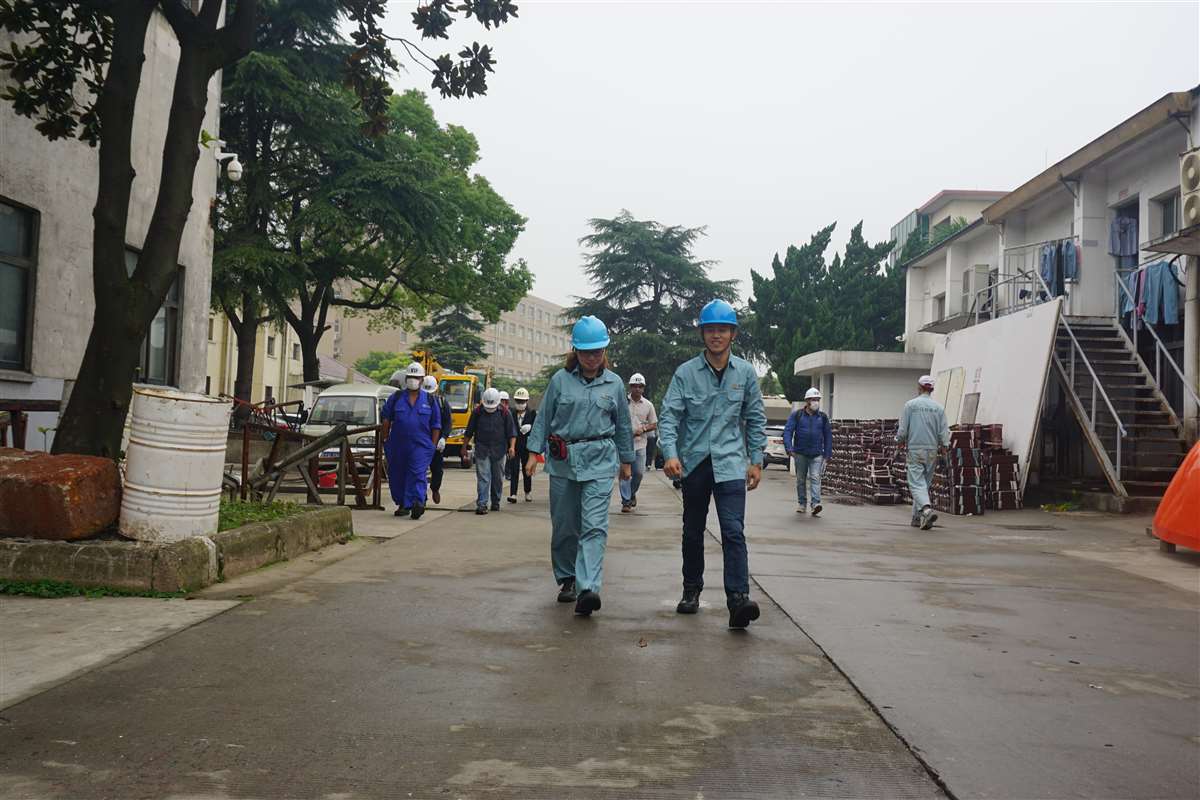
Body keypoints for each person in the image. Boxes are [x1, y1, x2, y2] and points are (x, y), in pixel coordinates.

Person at [659, 299, 767, 630]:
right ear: (702, 334)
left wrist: (756, 460)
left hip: (731, 464)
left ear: (733, 334)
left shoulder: (745, 373)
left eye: (722, 330)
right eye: (710, 330)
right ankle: (691, 589)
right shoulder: (686, 373)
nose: (716, 335)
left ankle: (738, 600)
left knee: (733, 531)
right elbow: (669, 416)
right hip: (694, 464)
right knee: (693, 530)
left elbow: (755, 417)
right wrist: (670, 453)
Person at [526, 316, 634, 617]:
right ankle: (568, 579)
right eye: (586, 351)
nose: (592, 357)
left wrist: (627, 461)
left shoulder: (614, 384)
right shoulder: (560, 381)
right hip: (564, 461)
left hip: (600, 459)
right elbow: (544, 417)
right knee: (565, 525)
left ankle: (588, 588)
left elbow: (623, 425)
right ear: (576, 350)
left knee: (595, 526)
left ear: (605, 351)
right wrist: (533, 453)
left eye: (597, 351)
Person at [381, 362, 441, 520]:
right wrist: (385, 439)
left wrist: (432, 446)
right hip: (397, 445)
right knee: (397, 474)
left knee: (417, 473)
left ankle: (418, 503)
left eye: (416, 377)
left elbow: (436, 425)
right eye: (410, 377)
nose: (413, 380)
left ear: (422, 380)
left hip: (421, 446)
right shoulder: (396, 398)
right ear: (406, 378)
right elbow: (386, 419)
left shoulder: (430, 400)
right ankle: (403, 503)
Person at [896, 374, 950, 531]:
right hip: (932, 450)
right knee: (923, 485)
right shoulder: (939, 408)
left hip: (915, 449)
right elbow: (944, 433)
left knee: (916, 483)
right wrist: (944, 450)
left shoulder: (910, 405)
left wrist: (899, 442)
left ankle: (926, 510)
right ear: (932, 389)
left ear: (919, 387)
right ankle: (917, 518)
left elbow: (903, 430)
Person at [464, 387, 516, 515]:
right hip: (482, 449)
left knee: (498, 478)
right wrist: (464, 447)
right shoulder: (477, 412)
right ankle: (482, 504)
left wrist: (512, 447)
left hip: (499, 450)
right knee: (483, 477)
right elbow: (469, 431)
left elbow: (511, 433)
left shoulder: (505, 413)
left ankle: (495, 501)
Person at [784, 387, 832, 517]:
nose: (816, 402)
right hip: (800, 453)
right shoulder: (797, 415)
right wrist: (789, 448)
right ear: (807, 401)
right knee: (801, 480)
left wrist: (827, 454)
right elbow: (788, 431)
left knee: (815, 478)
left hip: (817, 453)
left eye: (818, 399)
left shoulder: (823, 417)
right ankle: (802, 504)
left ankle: (815, 504)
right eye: (813, 399)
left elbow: (828, 435)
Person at [619, 373, 657, 512]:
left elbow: (654, 424)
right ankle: (626, 501)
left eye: (640, 386)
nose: (637, 389)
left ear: (643, 388)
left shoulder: (648, 405)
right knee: (625, 474)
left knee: (639, 473)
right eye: (634, 386)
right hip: (624, 444)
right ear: (630, 387)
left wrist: (643, 429)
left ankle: (631, 493)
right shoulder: (622, 402)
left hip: (640, 444)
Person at [423, 375, 451, 505]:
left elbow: (448, 423)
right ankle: (421, 496)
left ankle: (435, 489)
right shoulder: (416, 402)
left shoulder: (442, 403)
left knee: (437, 470)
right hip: (421, 441)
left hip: (437, 443)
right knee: (419, 470)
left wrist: (444, 438)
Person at [508, 387, 536, 503]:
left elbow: (537, 429)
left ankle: (527, 491)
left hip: (526, 447)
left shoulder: (532, 414)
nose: (520, 403)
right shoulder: (511, 413)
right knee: (514, 470)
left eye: (522, 401)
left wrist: (531, 427)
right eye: (518, 401)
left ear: (527, 401)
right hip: (514, 446)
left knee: (526, 470)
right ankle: (513, 494)